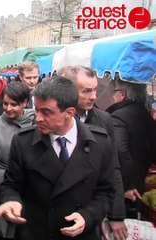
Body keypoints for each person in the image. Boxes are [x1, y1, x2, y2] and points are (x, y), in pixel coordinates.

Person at [0, 77, 115, 240]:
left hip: (81, 235)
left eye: (46, 112)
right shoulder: (23, 142)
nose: (37, 118)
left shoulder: (100, 144)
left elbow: (106, 192)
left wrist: (88, 216)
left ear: (70, 113)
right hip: (36, 232)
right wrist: (12, 200)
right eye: (36, 110)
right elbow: (11, 185)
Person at [59, 66, 128, 240]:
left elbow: (113, 169)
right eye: (87, 91)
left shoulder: (103, 120)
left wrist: (116, 215)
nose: (94, 96)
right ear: (70, 90)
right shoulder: (55, 118)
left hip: (91, 210)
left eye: (95, 89)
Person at [0, 82, 35, 240]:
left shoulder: (35, 122)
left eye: (14, 104)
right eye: (5, 103)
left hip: (29, 182)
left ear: (25, 103)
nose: (8, 108)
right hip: (1, 181)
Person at [106, 77, 156, 219]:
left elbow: (119, 150)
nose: (112, 95)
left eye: (114, 91)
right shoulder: (145, 115)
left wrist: (127, 184)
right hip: (139, 179)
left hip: (124, 186)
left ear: (122, 94)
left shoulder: (118, 117)